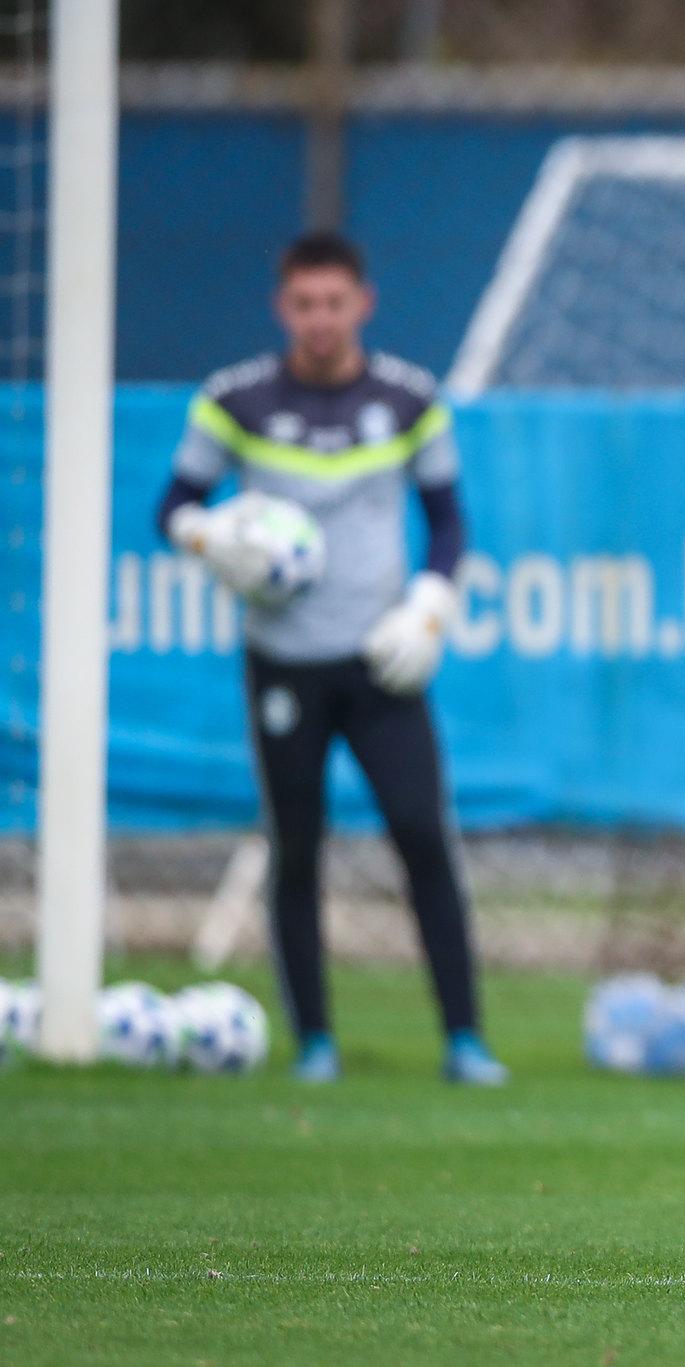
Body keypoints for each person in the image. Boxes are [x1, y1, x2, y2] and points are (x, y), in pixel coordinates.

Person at [155, 231, 508, 1087]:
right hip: (283, 662)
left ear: (364, 303)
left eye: (334, 303)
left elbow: (449, 521)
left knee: (423, 834)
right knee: (297, 847)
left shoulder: (411, 399)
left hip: (382, 662)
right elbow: (175, 504)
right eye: (304, 304)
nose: (320, 319)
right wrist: (214, 535)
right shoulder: (232, 401)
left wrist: (429, 607)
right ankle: (315, 1041)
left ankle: (464, 1039)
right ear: (283, 308)